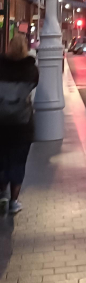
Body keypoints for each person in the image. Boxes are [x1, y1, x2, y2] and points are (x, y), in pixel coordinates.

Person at [0, 33, 38, 215]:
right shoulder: (30, 69)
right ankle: (14, 201)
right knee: (18, 161)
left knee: (2, 159)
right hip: (22, 124)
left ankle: (2, 196)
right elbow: (34, 85)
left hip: (1, 122)